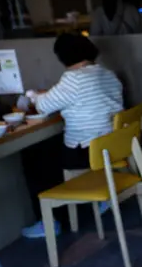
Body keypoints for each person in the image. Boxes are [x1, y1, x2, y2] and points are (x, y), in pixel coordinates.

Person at [21, 33, 124, 239]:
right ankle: (89, 201)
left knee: (33, 156)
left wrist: (33, 95)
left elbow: (43, 106)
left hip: (88, 153)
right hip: (114, 146)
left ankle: (49, 222)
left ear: (63, 57)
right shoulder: (108, 74)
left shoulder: (74, 79)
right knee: (50, 148)